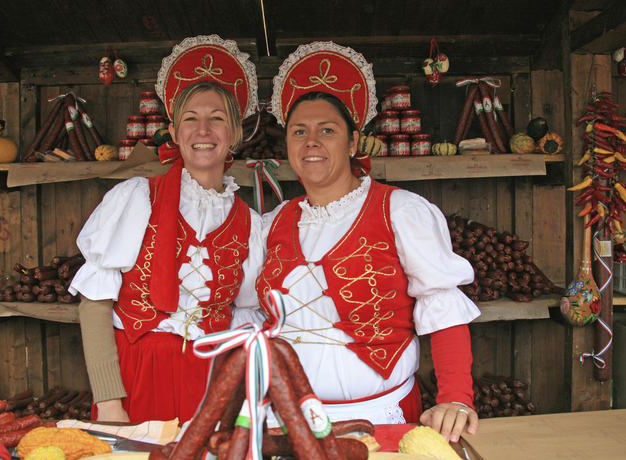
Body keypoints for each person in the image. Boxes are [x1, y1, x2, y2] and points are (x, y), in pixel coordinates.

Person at [257, 42, 480, 443]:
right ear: (287, 144)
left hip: (381, 417)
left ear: (354, 141)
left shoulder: (400, 210)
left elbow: (442, 307)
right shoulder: (271, 224)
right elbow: (250, 322)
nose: (312, 142)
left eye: (327, 130)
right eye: (299, 132)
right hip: (284, 423)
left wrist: (456, 398)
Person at [69, 36, 264, 424]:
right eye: (190, 118)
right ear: (174, 132)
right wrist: (109, 400)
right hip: (139, 373)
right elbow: (94, 304)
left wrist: (242, 398)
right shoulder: (137, 197)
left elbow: (244, 318)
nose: (203, 129)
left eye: (217, 118)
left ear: (235, 135)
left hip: (212, 379)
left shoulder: (251, 223)